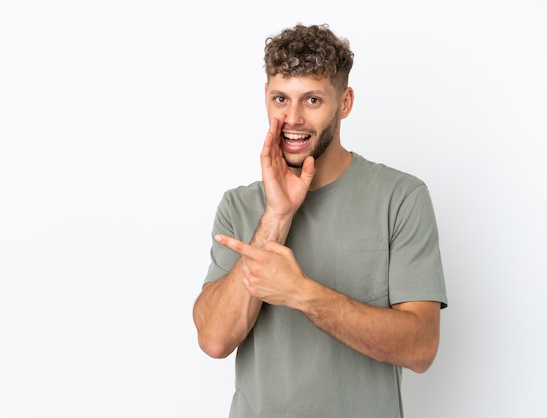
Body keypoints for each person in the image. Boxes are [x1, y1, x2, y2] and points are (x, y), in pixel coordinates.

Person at [192, 23, 448, 418]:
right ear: (266, 97)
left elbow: (421, 347)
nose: (292, 118)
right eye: (281, 99)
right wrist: (276, 216)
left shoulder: (400, 197)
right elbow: (213, 339)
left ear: (344, 103)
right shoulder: (239, 206)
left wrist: (301, 293)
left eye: (312, 100)